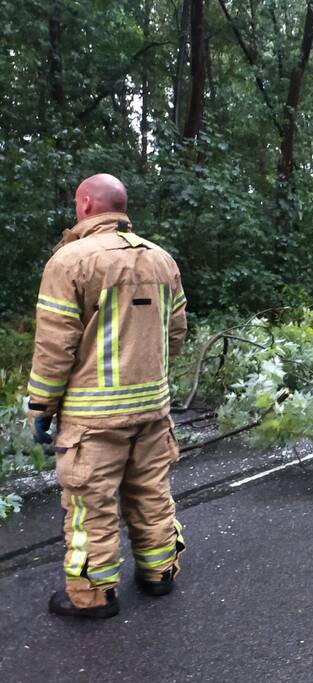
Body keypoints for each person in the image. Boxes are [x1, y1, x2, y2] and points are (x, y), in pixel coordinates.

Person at [27, 173, 188, 618]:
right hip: (152, 409)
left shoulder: (70, 261)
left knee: (92, 507)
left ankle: (93, 596)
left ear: (85, 204)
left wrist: (41, 405)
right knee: (152, 494)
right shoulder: (162, 260)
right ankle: (159, 574)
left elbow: (55, 346)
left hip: (92, 418)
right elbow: (176, 333)